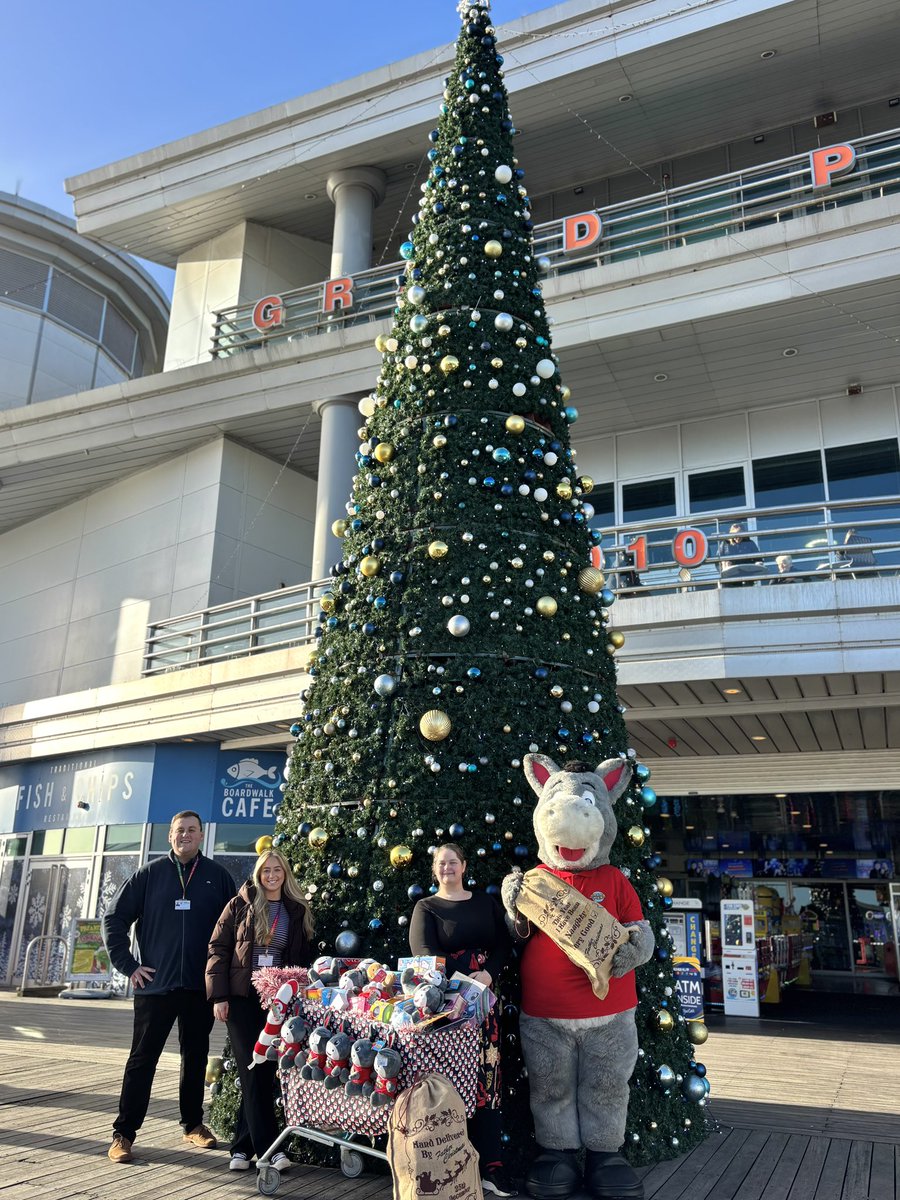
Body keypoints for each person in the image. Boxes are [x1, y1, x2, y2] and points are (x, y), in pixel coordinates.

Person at [101, 811, 237, 1164]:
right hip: (154, 987)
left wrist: (222, 981)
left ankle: (193, 1125)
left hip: (198, 987)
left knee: (195, 1057)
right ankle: (124, 1134)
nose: (185, 835)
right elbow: (113, 919)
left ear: (202, 836)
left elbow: (237, 930)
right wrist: (129, 966)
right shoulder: (149, 875)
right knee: (142, 1060)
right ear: (170, 837)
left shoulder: (217, 877)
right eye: (180, 830)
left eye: (192, 830)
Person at [409, 843, 517, 1198]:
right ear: (434, 869)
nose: (447, 868)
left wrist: (488, 973)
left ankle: (492, 1168)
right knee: (451, 1079)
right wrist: (466, 978)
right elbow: (424, 954)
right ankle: (450, 1168)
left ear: (464, 865)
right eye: (441, 863)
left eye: (453, 862)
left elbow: (504, 944)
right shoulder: (426, 907)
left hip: (486, 1008)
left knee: (490, 1078)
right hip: (448, 1010)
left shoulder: (485, 903)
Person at [206, 848, 314, 1173]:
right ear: (258, 873)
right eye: (266, 870)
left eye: (277, 870)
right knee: (251, 1069)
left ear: (285, 873)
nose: (271, 876)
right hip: (241, 998)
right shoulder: (241, 903)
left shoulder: (296, 910)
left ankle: (241, 1149)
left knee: (264, 1071)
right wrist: (218, 996)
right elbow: (218, 947)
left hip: (276, 1000)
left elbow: (301, 957)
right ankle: (271, 1150)